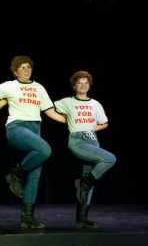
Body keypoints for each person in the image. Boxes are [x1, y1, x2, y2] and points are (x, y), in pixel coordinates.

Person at [0, 55, 65, 229]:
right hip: (17, 128)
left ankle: (27, 219)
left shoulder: (39, 87)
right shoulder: (9, 85)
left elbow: (50, 112)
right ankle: (16, 173)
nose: (26, 70)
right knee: (45, 149)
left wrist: (71, 121)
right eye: (22, 68)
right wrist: (1, 102)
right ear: (16, 71)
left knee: (35, 175)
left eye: (29, 67)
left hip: (35, 127)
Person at [54, 70, 116, 229]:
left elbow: (105, 123)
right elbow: (48, 108)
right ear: (74, 86)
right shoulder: (67, 102)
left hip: (93, 139)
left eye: (86, 83)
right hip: (77, 140)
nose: (83, 85)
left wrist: (90, 127)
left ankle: (81, 219)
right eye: (79, 83)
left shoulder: (95, 104)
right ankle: (84, 184)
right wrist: (66, 121)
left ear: (89, 85)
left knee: (88, 179)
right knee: (109, 159)